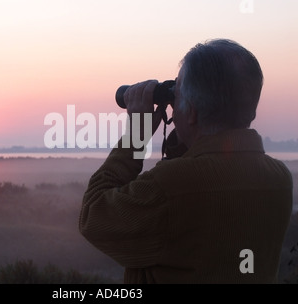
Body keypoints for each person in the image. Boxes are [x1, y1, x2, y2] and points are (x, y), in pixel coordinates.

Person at [79, 39, 293, 284]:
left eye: (176, 94)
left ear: (190, 111)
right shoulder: (279, 179)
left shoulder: (168, 187)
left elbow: (93, 216)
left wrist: (135, 137)